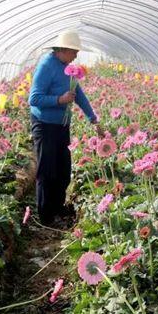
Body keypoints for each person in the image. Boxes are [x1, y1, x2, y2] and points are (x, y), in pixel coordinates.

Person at [29, 30, 103, 225]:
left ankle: (58, 209)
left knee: (63, 169)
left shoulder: (67, 67)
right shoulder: (47, 66)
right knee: (47, 171)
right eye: (74, 52)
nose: (76, 56)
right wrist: (59, 99)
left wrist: (93, 119)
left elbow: (78, 94)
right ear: (63, 49)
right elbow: (34, 99)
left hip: (62, 125)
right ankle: (46, 217)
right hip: (44, 125)